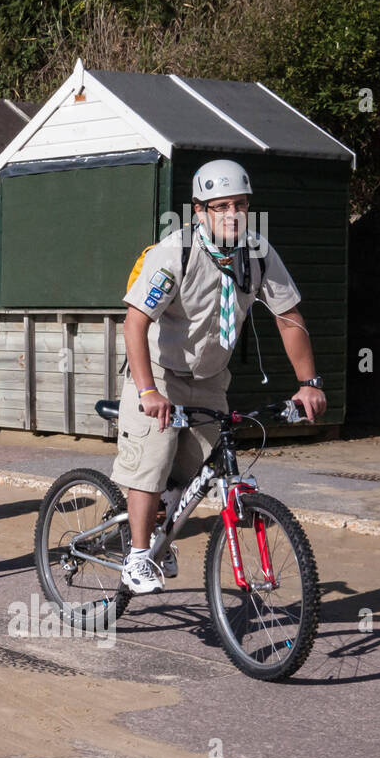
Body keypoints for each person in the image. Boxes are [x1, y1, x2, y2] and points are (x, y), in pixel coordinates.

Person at [114, 158, 327, 594]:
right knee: (153, 460)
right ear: (200, 211)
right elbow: (134, 322)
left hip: (210, 377)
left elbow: (289, 318)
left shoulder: (259, 256)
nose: (232, 214)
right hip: (159, 373)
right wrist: (148, 391)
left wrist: (309, 383)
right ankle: (137, 556)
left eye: (240, 204)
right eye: (221, 205)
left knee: (195, 468)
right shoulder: (175, 253)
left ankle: (160, 530)